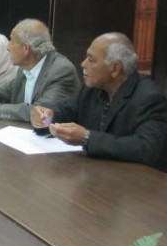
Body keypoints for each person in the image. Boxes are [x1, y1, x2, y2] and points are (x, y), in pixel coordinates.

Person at [31, 32, 167, 169]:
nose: (83, 64)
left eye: (91, 60)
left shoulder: (149, 97)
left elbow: (149, 148)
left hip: (133, 178)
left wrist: (87, 138)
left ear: (115, 68)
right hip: (94, 172)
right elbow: (66, 110)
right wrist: (47, 115)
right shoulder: (92, 89)